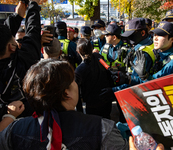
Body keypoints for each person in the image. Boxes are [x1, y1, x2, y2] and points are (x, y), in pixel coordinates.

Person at [0, 59, 129, 150]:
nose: (76, 84)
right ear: (66, 93)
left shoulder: (13, 130)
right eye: (73, 81)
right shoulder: (103, 129)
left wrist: (10, 117)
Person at [0, 0, 41, 120]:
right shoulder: (23, 59)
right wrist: (33, 5)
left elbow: (4, 35)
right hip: (28, 119)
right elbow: (33, 32)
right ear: (11, 47)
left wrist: (17, 17)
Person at [75, 38, 114, 119]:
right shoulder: (98, 57)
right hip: (106, 99)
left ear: (78, 52)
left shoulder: (79, 70)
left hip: (92, 104)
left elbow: (77, 92)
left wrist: (80, 112)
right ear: (91, 48)